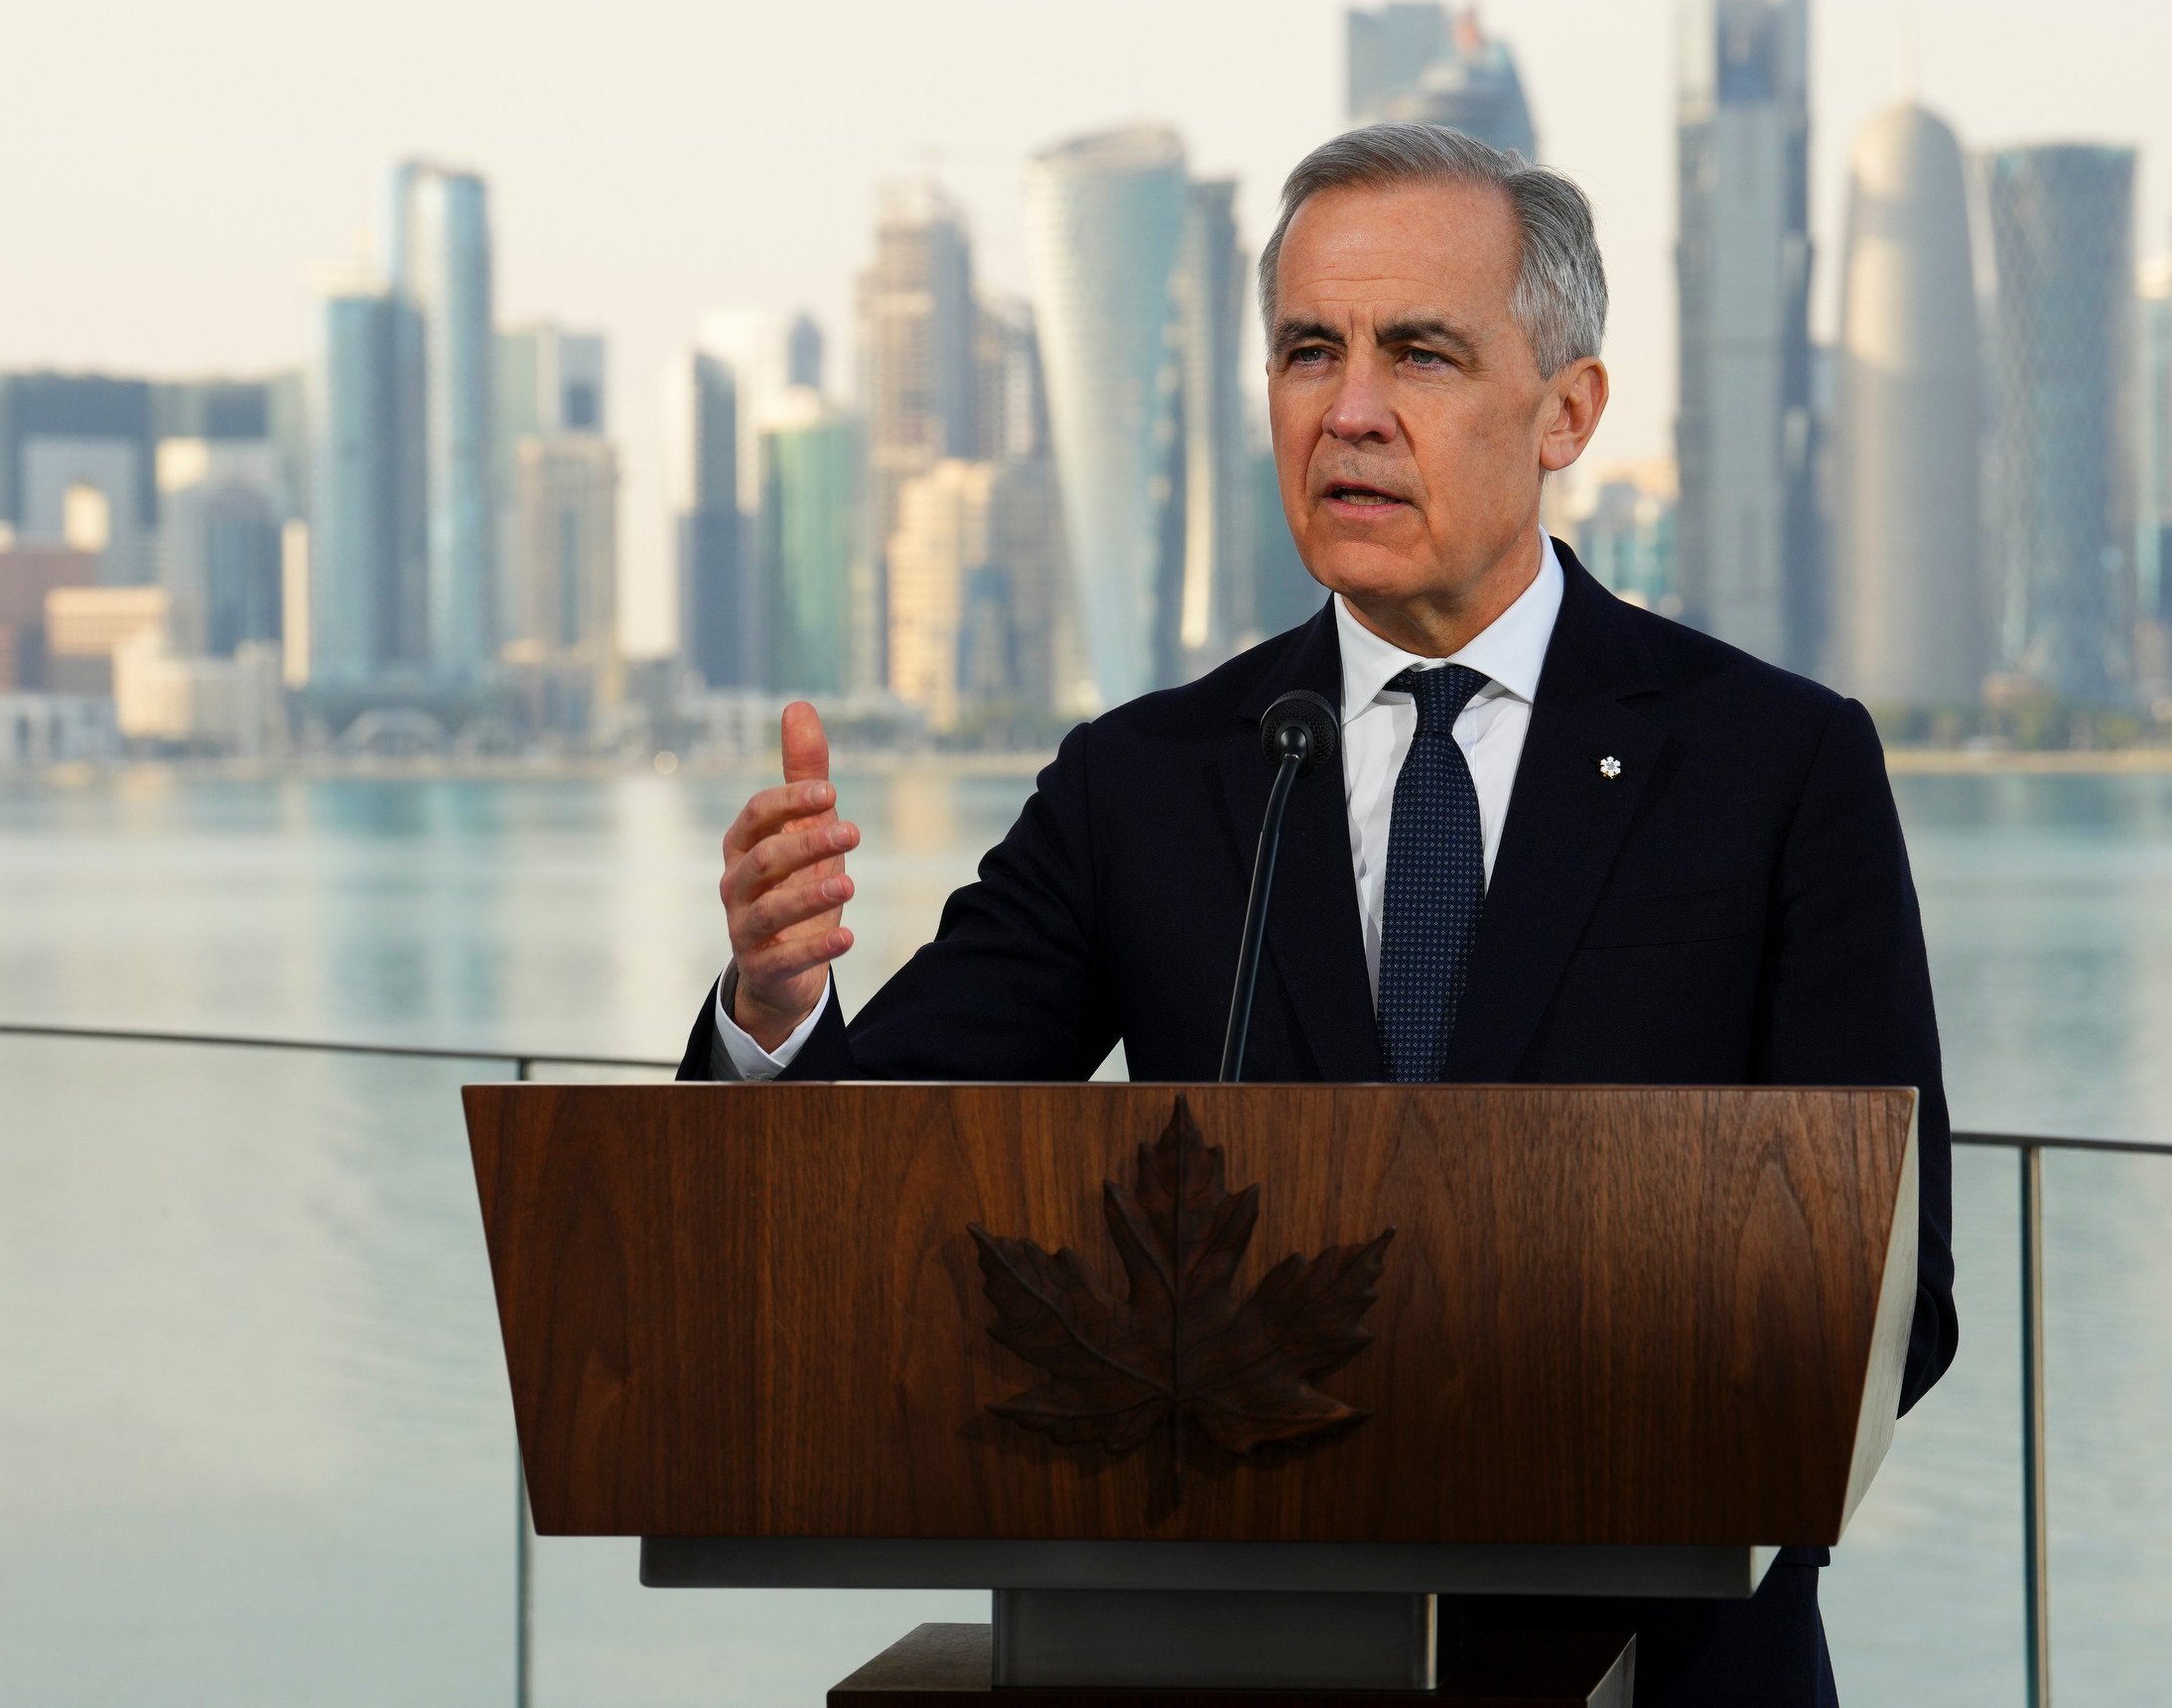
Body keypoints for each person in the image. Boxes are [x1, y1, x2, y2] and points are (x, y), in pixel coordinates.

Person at [685, 122, 1954, 1707]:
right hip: (1225, 1659)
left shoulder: (1773, 766)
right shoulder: (1143, 784)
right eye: (1308, 351)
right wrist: (776, 1010)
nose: (1349, 409)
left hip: (1663, 1669)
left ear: (1568, 410)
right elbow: (859, 1177)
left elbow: (1901, 1299)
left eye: (1418, 351)